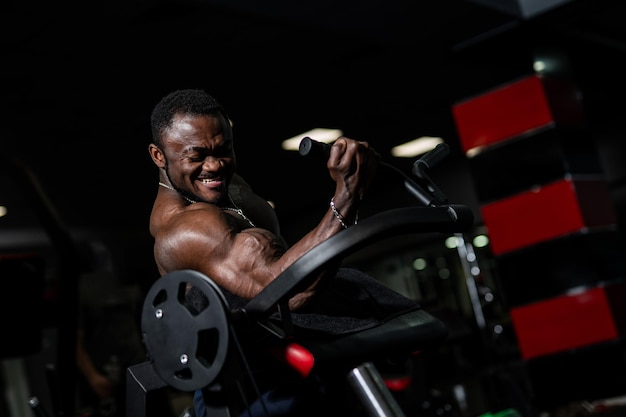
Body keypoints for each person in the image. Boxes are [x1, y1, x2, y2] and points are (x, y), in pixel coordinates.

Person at [147, 89, 422, 416]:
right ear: (159, 156)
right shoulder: (184, 229)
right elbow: (288, 293)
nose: (215, 165)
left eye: (224, 149)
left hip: (299, 362)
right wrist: (346, 199)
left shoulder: (229, 188)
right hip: (248, 393)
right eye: (196, 156)